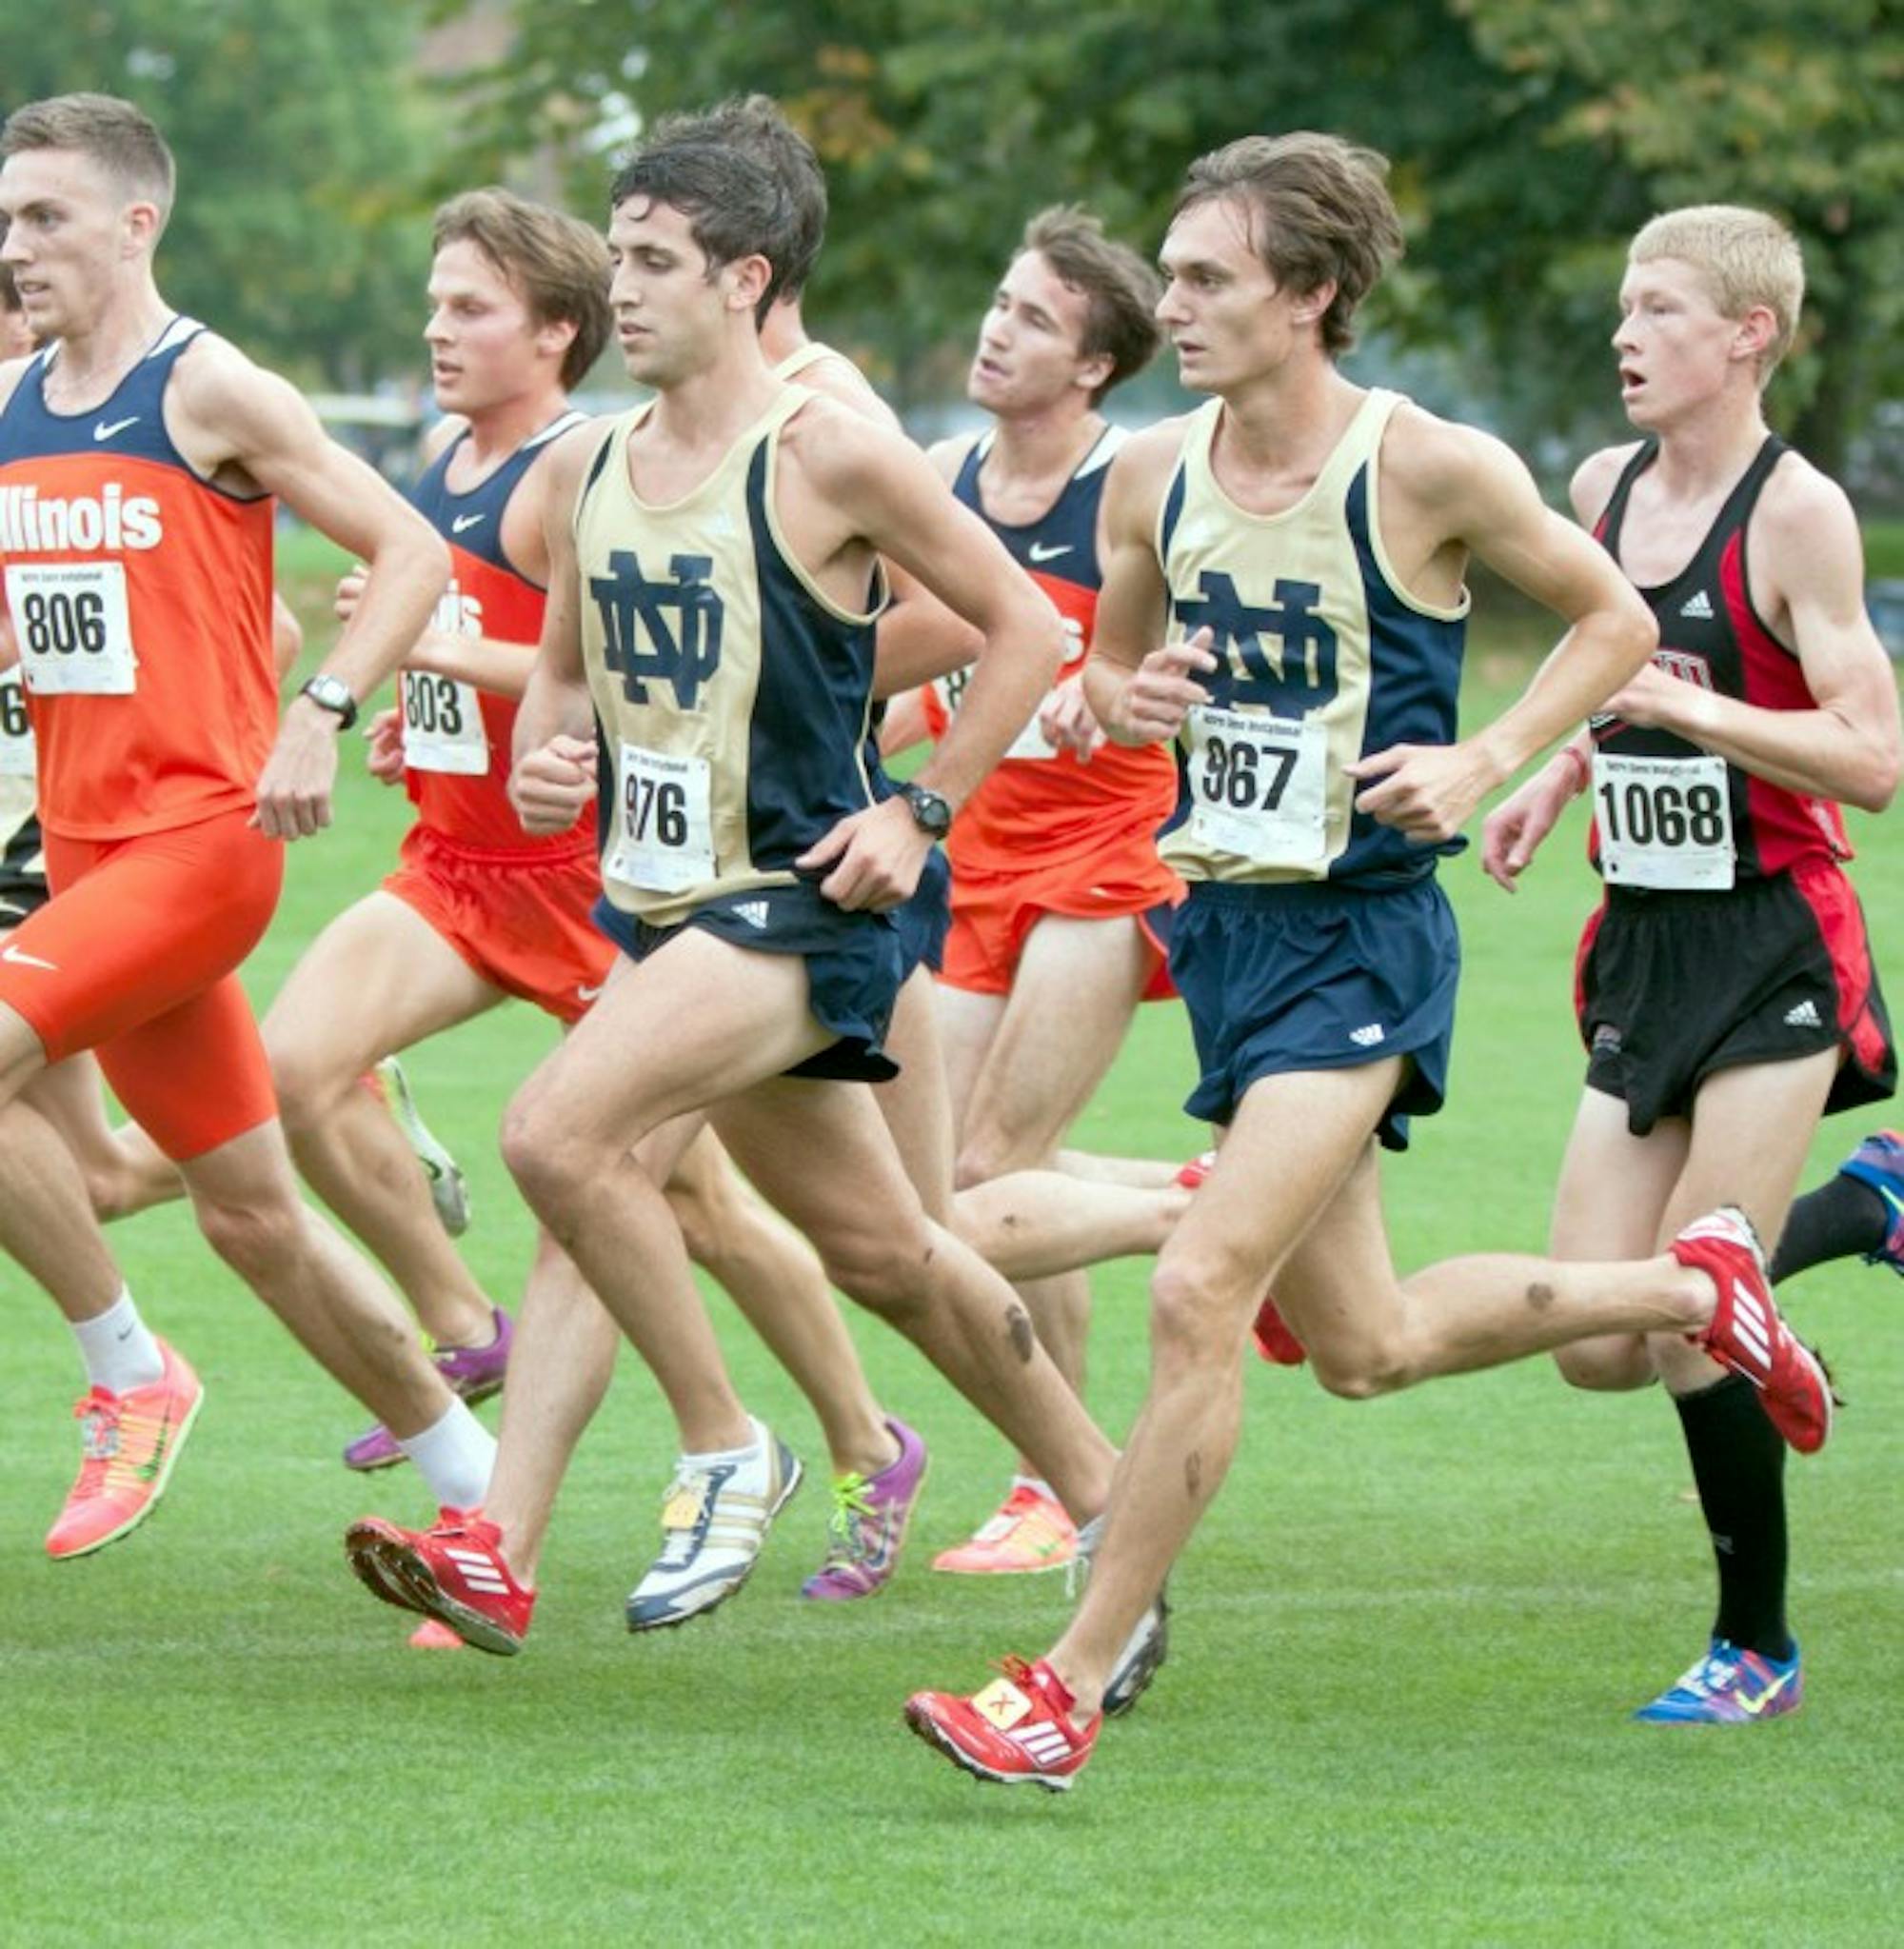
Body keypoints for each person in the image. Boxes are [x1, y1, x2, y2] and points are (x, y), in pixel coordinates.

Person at [902, 132, 1835, 1792]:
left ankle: (1066, 1682)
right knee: (1368, 1346)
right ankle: (1700, 1291)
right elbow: (1101, 672)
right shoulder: (1152, 477)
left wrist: (1485, 760)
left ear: (1313, 295)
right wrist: (1143, 697)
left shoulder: (1432, 465)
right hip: (1231, 929)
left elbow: (1616, 621)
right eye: (1171, 274)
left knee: (1201, 1294)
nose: (1174, 304)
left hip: (1365, 941)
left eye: (1208, 278)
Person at [344, 122, 1167, 1702]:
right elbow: (573, 653)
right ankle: (1111, 1507)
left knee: (555, 1136)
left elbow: (1019, 629)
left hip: (799, 906)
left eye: (652, 263)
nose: (619, 286)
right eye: (617, 250)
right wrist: (545, 749)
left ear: (746, 278)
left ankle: (723, 1449)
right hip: (662, 908)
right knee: (887, 1255)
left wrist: (919, 812)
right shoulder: (586, 465)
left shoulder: (827, 450)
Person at [274, 186, 914, 1615]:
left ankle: (861, 1445)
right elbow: (513, 659)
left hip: (604, 883)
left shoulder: (598, 461)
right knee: (302, 1068)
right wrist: (424, 703)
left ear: (557, 332)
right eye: (433, 304)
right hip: (457, 865)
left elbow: (643, 671)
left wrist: (440, 661)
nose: (437, 331)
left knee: (680, 1200)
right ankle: (466, 1345)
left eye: (470, 309)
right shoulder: (446, 458)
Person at [0, 91, 493, 1559]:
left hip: (197, 851)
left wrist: (318, 710)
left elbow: (411, 549)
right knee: (255, 1222)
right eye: (5, 221)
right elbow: (161, 613)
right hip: (83, 852)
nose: (14, 247)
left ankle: (132, 1374)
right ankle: (481, 1495)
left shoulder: (212, 388)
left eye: (45, 218)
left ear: (137, 223)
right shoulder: (15, 404)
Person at [1479, 204, 1898, 1722]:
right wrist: (1555, 770)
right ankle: (1875, 1205)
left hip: (1775, 933)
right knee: (1599, 1337)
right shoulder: (1601, 490)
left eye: (1658, 311)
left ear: (1748, 337)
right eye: (1622, 307)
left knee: (1680, 1321)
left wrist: (1699, 713)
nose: (1624, 336)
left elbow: (1868, 758)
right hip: (1642, 944)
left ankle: (1757, 1649)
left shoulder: (1800, 516)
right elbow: (1613, 682)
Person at [884, 207, 1187, 1574]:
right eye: (1000, 305)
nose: (998, 332)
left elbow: (1182, 672)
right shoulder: (939, 480)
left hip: (1108, 858)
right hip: (971, 861)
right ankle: (1213, 1192)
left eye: (1035, 321)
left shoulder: (1136, 489)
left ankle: (1043, 1481)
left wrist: (1113, 698)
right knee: (940, 1187)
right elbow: (923, 679)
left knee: (993, 1167)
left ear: (1096, 367)